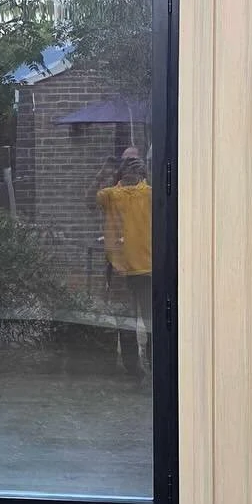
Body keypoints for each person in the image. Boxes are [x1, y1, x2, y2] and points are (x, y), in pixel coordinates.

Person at [95, 147, 152, 374]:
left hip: (148, 269)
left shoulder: (150, 192)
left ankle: (154, 367)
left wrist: (149, 173)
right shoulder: (111, 194)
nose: (130, 166)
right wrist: (106, 172)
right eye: (126, 162)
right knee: (125, 322)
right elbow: (89, 201)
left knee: (151, 322)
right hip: (119, 269)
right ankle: (133, 372)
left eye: (134, 162)